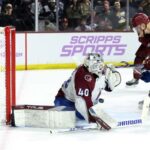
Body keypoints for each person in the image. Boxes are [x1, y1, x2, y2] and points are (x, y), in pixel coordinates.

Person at [54, 53, 121, 123]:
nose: (100, 67)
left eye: (100, 64)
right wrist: (93, 118)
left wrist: (108, 80)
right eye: (96, 64)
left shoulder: (95, 72)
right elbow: (82, 101)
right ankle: (61, 111)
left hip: (79, 99)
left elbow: (107, 87)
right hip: (66, 101)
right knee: (75, 117)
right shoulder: (83, 76)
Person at [126, 13, 150, 86]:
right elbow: (142, 40)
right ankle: (136, 78)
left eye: (137, 27)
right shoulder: (144, 31)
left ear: (142, 25)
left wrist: (146, 66)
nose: (136, 30)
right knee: (139, 57)